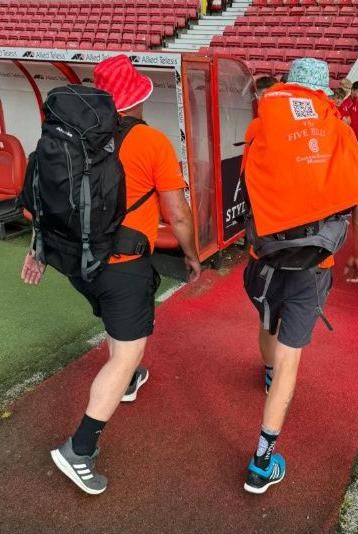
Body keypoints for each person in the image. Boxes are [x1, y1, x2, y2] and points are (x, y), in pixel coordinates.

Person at [21, 54, 200, 495]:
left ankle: (131, 378)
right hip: (122, 267)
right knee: (126, 353)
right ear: (138, 96)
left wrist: (38, 250)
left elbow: (45, 200)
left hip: (75, 262)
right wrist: (194, 255)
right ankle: (80, 449)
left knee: (118, 331)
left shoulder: (66, 136)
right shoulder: (152, 142)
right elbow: (177, 215)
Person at [239, 58, 358, 494]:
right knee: (290, 359)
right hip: (313, 267)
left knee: (266, 323)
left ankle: (265, 369)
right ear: (323, 94)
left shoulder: (262, 126)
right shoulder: (340, 131)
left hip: (264, 260)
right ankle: (261, 462)